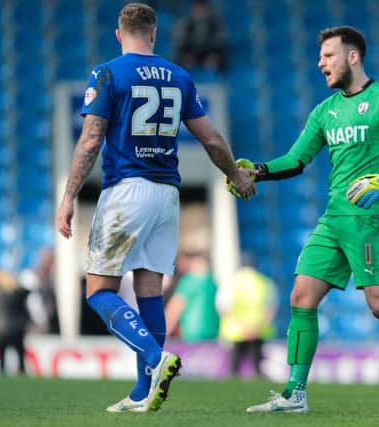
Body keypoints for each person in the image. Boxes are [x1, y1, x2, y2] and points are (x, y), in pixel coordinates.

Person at [232, 26, 379, 416]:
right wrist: (258, 170)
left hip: (371, 219)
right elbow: (297, 159)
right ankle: (294, 393)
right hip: (332, 220)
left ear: (352, 57)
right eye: (320, 57)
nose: (320, 63)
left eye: (328, 56)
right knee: (301, 297)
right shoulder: (325, 111)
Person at [55, 3, 254, 414]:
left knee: (98, 292)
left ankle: (154, 357)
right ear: (154, 32)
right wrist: (234, 175)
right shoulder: (180, 76)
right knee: (149, 292)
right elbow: (212, 140)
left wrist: (69, 195)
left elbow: (91, 140)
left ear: (118, 34)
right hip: (167, 194)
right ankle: (143, 393)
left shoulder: (107, 73)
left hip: (126, 190)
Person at [216, 254, 277, 378]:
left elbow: (223, 307)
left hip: (236, 332)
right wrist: (255, 329)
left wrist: (242, 328)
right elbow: (271, 309)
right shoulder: (265, 282)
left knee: (234, 368)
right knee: (258, 368)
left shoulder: (231, 282)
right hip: (258, 331)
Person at [0, 269, 30, 375]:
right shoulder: (17, 293)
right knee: (20, 353)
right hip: (17, 328)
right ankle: (21, 372)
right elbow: (27, 294)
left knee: (2, 354)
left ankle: (2, 371)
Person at [165, 251, 220, 342]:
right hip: (212, 334)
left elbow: (174, 310)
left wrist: (161, 336)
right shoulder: (212, 282)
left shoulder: (189, 281)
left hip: (193, 334)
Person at [173, 0, 227, 72]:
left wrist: (212, 52)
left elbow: (221, 39)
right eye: (197, 9)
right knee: (184, 58)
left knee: (215, 59)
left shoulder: (215, 22)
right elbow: (179, 39)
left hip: (210, 51)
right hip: (191, 51)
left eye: (202, 9)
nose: (200, 11)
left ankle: (214, 79)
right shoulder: (186, 22)